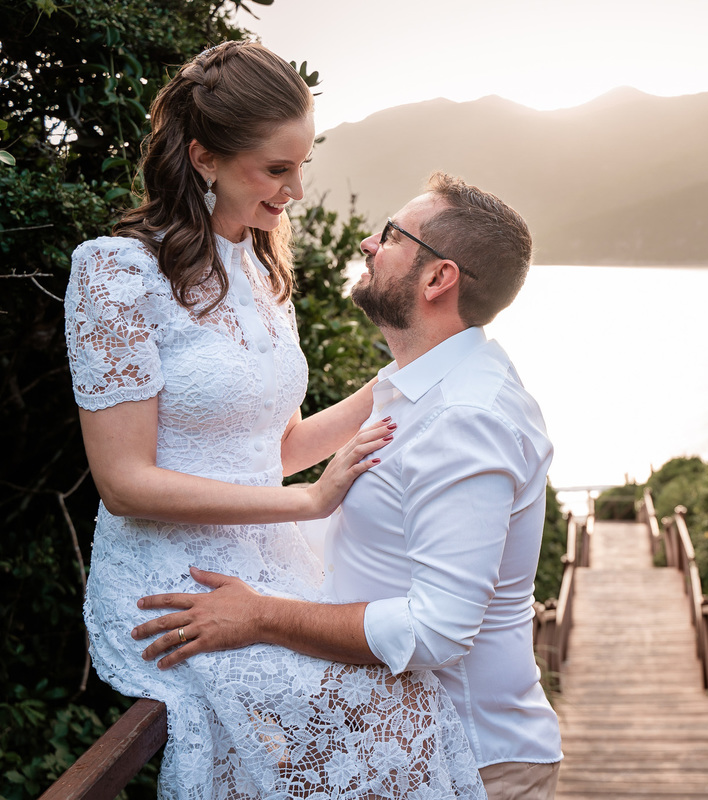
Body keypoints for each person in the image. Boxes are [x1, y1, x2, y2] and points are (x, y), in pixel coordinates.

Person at [65, 42, 484, 799]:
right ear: (204, 157)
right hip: (175, 583)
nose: (294, 190)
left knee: (414, 694)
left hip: (272, 565)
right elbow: (123, 483)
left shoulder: (262, 273)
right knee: (367, 709)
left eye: (302, 165)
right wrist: (310, 501)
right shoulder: (115, 273)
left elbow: (279, 445)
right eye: (275, 169)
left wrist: (412, 372)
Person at [133, 173, 563, 800]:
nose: (366, 242)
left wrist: (259, 616)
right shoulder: (415, 382)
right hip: (402, 753)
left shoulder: (467, 418)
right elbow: (276, 454)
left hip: (474, 764)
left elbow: (436, 630)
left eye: (390, 235)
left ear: (437, 278)